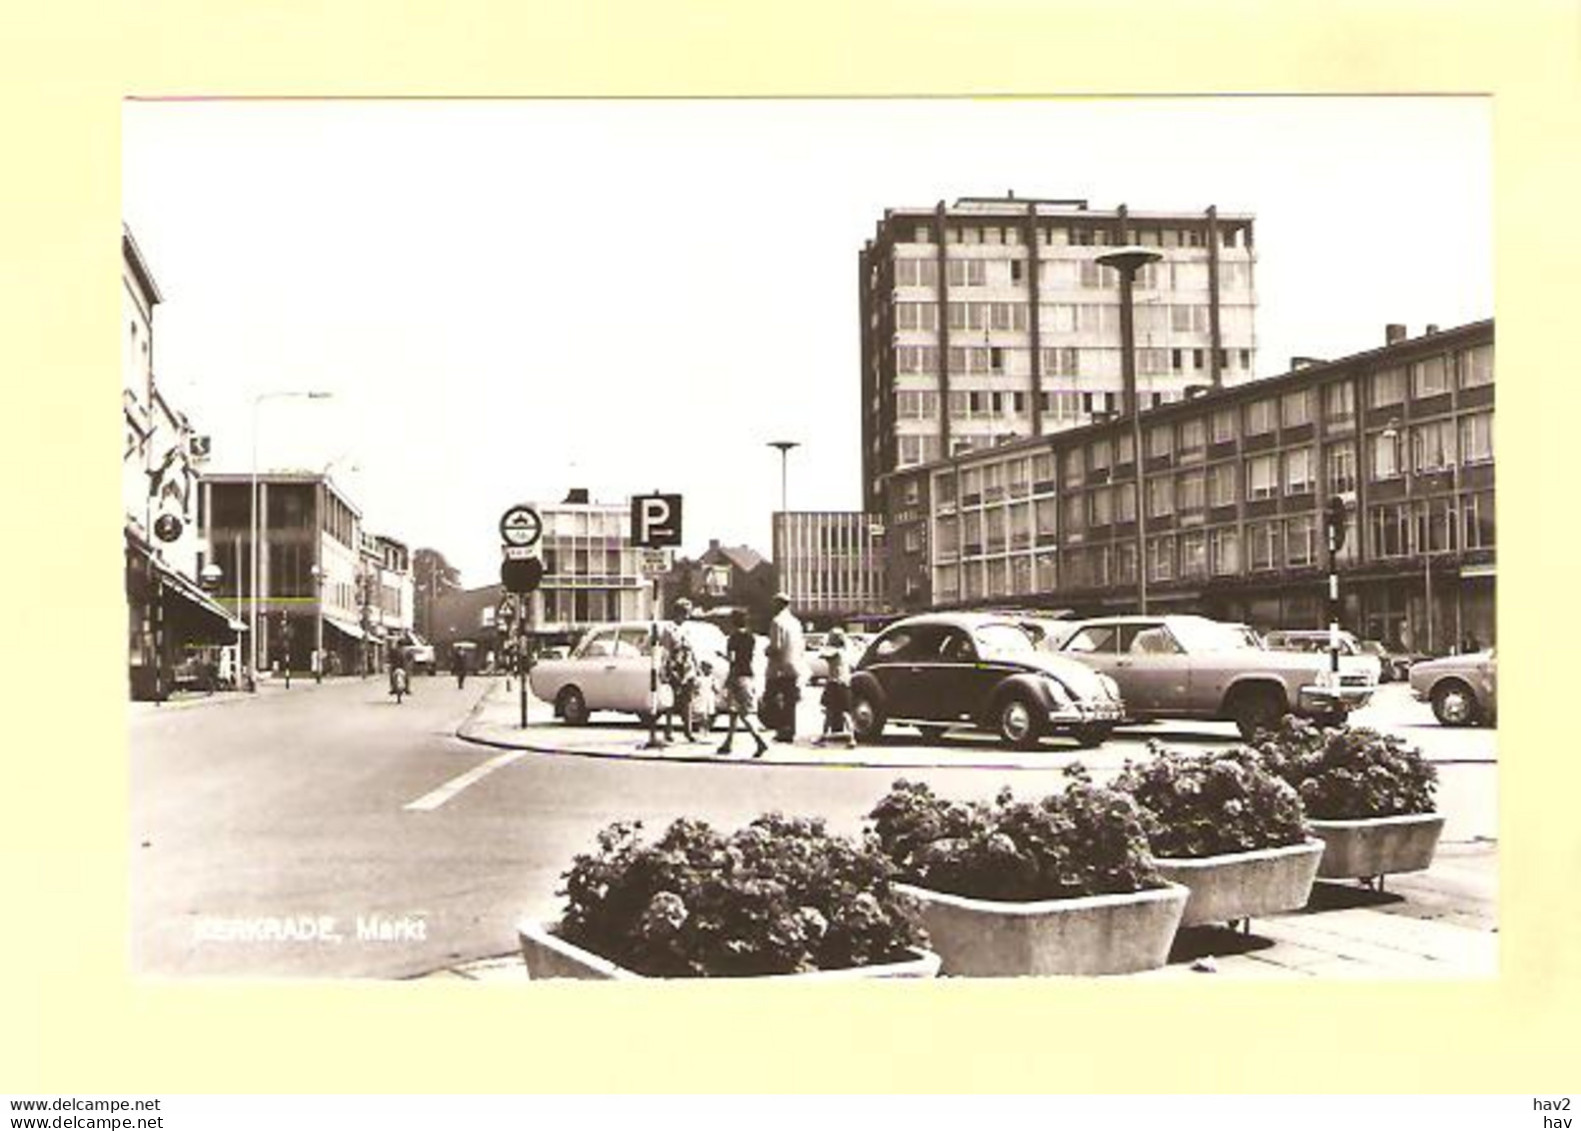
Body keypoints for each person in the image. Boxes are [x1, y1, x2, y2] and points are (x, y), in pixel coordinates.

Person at [718, 609, 769, 757]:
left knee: (743, 714)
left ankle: (760, 740)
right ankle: (728, 743)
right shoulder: (751, 637)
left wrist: (721, 655)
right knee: (733, 712)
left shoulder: (733, 638)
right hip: (748, 674)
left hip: (737, 676)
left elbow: (732, 659)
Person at [764, 592, 806, 743]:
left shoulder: (776, 622)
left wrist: (766, 651)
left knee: (771, 699)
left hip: (779, 669)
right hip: (794, 666)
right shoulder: (796, 623)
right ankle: (790, 730)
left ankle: (781, 729)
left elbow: (776, 647)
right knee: (790, 702)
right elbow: (801, 645)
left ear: (778, 604)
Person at [660, 599, 702, 743]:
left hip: (688, 666)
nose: (687, 616)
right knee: (671, 700)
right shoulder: (669, 629)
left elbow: (692, 649)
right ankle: (668, 730)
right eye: (686, 613)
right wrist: (664, 669)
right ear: (679, 613)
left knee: (688, 700)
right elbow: (665, 650)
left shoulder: (688, 628)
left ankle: (688, 731)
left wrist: (697, 667)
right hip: (675, 667)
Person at [815, 628, 857, 748]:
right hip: (845, 684)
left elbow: (823, 655)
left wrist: (823, 644)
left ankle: (823, 737)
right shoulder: (846, 652)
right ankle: (852, 738)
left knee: (829, 712)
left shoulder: (835, 652)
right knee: (846, 713)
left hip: (834, 684)